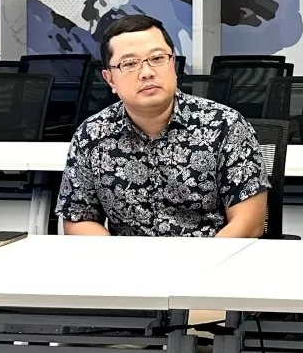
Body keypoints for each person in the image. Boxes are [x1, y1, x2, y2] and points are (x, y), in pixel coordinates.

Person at [56, 14, 269, 237]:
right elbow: (79, 218)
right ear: (110, 79)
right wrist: (118, 258)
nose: (147, 72)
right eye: (130, 64)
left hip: (211, 254)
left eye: (157, 58)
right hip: (127, 258)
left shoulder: (225, 125)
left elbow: (249, 222)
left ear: (173, 63)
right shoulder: (91, 135)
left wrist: (205, 259)